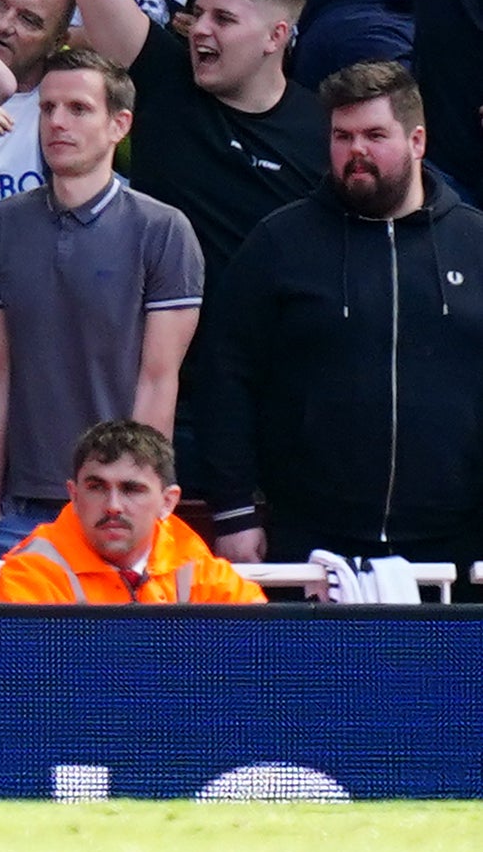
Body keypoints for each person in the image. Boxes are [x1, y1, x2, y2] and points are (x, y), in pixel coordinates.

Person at [182, 64, 483, 568]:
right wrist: (234, 511)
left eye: (374, 135)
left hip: (457, 544)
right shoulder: (279, 243)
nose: (355, 151)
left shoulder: (474, 245)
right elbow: (226, 377)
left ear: (417, 140)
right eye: (342, 136)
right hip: (311, 539)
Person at [0, 46, 204, 558]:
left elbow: (159, 378)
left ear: (119, 125)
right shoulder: (5, 222)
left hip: (116, 510)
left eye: (78, 109)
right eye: (48, 108)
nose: (57, 122)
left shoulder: (161, 229)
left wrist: (137, 499)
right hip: (22, 504)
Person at [0, 417, 263, 603]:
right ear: (74, 495)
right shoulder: (32, 573)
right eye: (97, 487)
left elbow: (271, 656)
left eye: (132, 489)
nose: (113, 506)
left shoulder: (196, 568)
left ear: (168, 502)